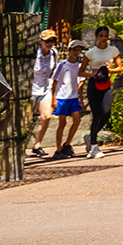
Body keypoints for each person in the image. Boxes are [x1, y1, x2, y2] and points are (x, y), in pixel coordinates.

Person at [81, 25, 123, 159]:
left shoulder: (113, 50)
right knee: (97, 114)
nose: (103, 38)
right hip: (94, 85)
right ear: (96, 37)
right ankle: (93, 147)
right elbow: (80, 71)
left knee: (106, 113)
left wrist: (110, 70)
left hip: (106, 85)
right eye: (101, 36)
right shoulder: (91, 53)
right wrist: (92, 75)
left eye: (105, 36)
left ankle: (90, 136)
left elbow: (119, 68)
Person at [50, 40, 86, 160]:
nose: (76, 52)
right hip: (62, 97)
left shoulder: (80, 66)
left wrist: (81, 98)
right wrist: (54, 98)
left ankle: (67, 144)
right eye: (74, 49)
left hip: (74, 97)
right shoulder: (62, 65)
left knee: (77, 120)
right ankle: (58, 148)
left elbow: (80, 83)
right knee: (62, 123)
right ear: (69, 51)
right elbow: (54, 81)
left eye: (78, 50)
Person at [28, 29, 59, 157]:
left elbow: (55, 71)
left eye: (52, 41)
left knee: (46, 116)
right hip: (31, 88)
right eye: (47, 41)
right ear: (41, 41)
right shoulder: (35, 54)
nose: (50, 43)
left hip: (45, 88)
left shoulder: (54, 53)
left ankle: (37, 145)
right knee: (26, 120)